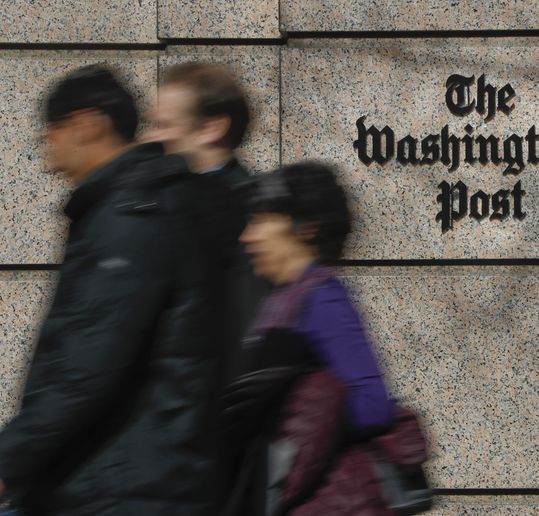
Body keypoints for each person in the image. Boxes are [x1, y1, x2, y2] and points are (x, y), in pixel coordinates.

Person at [0, 65, 225, 514]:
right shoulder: (127, 206)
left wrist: (8, 461)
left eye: (52, 131)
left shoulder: (131, 216)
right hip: (119, 479)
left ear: (87, 124)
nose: (46, 148)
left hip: (121, 486)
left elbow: (86, 364)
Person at [224, 162, 408, 515]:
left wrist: (301, 442)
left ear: (305, 228)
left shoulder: (323, 297)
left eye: (262, 220)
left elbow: (372, 403)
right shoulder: (283, 299)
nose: (248, 236)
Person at [145, 62, 262, 382]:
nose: (151, 138)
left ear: (212, 128)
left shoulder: (249, 212)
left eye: (164, 125)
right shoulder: (171, 199)